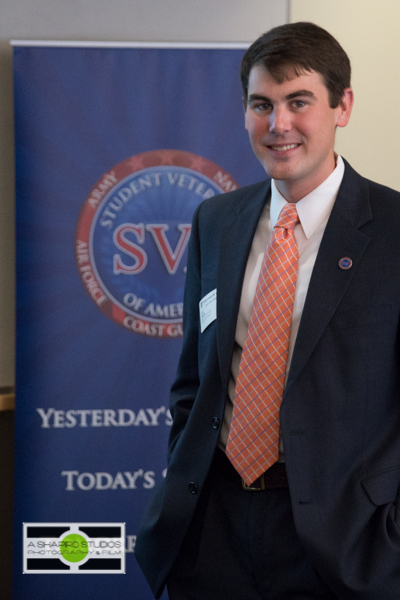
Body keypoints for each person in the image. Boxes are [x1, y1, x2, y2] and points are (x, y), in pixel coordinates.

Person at [136, 22, 400, 599]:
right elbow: (195, 380)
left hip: (344, 544)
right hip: (211, 530)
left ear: (343, 106)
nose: (278, 125)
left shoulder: (395, 230)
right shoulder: (217, 221)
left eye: (297, 102)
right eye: (262, 104)